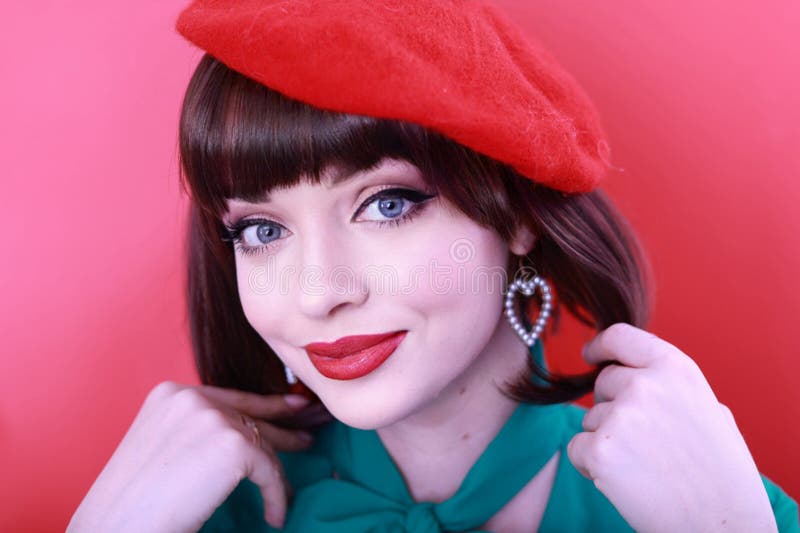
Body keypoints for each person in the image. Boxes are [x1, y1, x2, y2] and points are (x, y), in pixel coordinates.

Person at [68, 0, 799, 531]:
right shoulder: (196, 512)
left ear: (513, 213)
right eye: (261, 228)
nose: (318, 293)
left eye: (386, 204)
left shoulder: (715, 506)